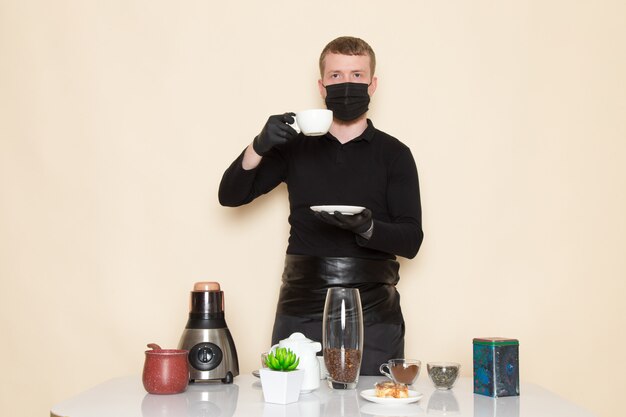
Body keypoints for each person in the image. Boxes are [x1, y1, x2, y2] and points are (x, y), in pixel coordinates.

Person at [218, 36, 423, 375]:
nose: (347, 83)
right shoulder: (295, 146)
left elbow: (412, 241)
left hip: (373, 307)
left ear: (373, 85)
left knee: (372, 401)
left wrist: (367, 227)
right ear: (321, 84)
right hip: (301, 304)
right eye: (336, 75)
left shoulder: (395, 154)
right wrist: (258, 145)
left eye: (357, 76)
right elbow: (230, 196)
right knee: (294, 401)